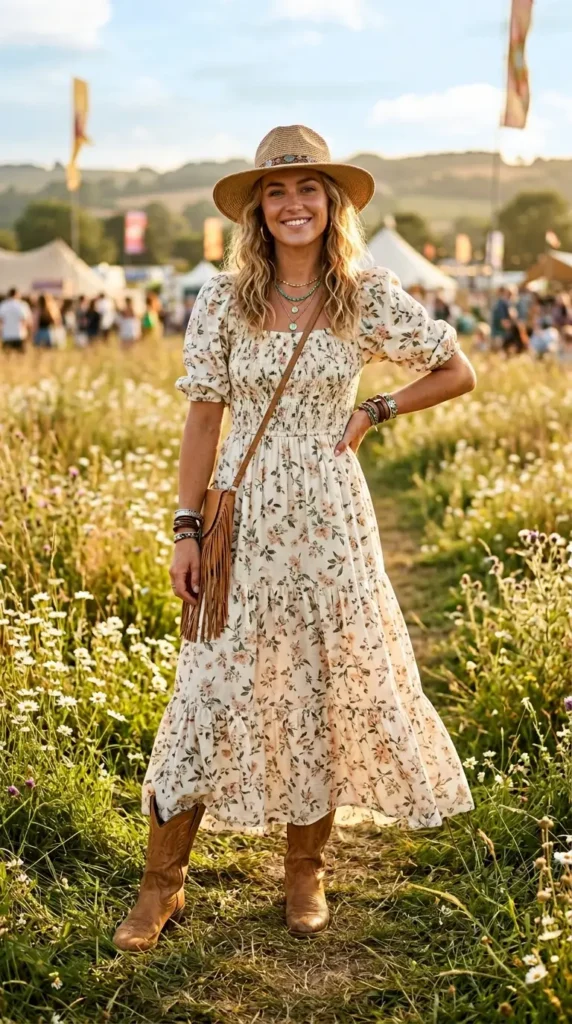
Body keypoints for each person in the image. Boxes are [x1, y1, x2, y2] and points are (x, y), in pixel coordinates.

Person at [113, 124, 476, 953]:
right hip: (238, 515)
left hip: (330, 519)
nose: (292, 204)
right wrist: (185, 528)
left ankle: (305, 872)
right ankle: (161, 885)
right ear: (257, 209)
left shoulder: (368, 292)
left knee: (321, 681)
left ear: (331, 200)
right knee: (206, 689)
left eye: (307, 188)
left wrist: (376, 409)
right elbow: (203, 415)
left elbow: (456, 368)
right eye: (276, 191)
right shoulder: (222, 298)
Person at [0, 287, 32, 352]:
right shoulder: (22, 305)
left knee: (8, 358)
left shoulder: (3, 305)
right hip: (20, 334)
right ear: (18, 294)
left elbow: (1, 320)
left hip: (7, 335)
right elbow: (27, 321)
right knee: (21, 359)